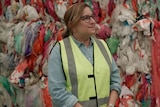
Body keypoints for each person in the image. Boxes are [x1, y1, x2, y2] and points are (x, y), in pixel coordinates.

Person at [48, 2, 121, 107]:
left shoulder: (102, 45)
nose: (92, 22)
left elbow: (115, 79)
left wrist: (111, 104)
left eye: (92, 17)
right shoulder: (60, 50)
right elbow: (57, 90)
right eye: (86, 18)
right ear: (72, 24)